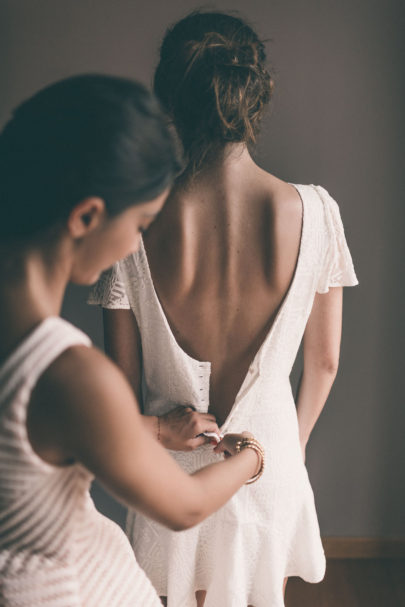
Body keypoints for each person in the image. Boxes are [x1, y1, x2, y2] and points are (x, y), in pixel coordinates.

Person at [89, 11, 359, 607]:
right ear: (253, 94)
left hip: (168, 474)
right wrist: (291, 446)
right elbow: (326, 362)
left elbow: (119, 392)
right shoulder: (316, 213)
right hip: (270, 466)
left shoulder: (132, 229)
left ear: (170, 104)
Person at [0, 74, 266, 607]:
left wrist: (157, 429)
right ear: (87, 217)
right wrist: (253, 459)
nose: (137, 241)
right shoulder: (68, 372)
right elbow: (183, 506)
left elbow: (35, 435)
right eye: (142, 222)